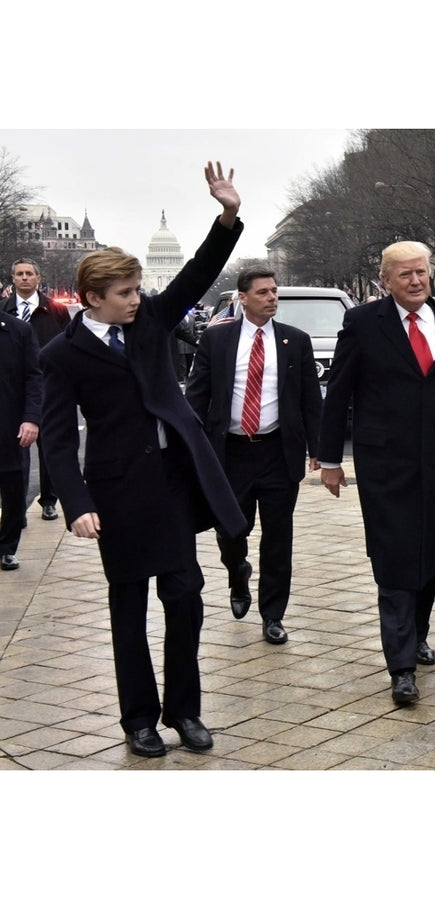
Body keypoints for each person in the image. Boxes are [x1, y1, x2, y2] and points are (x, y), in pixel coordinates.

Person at [38, 162, 246, 758]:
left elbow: (196, 274)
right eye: (124, 294)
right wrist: (76, 504)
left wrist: (227, 216)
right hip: (117, 495)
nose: (137, 299)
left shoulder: (152, 318)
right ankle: (139, 721)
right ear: (93, 299)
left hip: (173, 482)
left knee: (185, 597)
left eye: (137, 290)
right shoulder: (63, 355)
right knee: (128, 609)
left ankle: (186, 711)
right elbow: (57, 439)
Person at [318, 241, 435, 707]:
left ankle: (417, 632)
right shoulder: (363, 324)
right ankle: (401, 667)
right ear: (386, 281)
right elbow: (338, 393)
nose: (416, 282)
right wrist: (331, 460)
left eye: (421, 273)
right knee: (395, 556)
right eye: (405, 275)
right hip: (383, 463)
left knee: (428, 552)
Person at [185, 265, 322, 645]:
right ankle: (237, 572)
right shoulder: (218, 340)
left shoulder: (295, 341)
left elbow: (311, 400)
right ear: (242, 298)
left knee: (278, 538)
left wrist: (319, 451)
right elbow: (196, 396)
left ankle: (273, 615)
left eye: (274, 291)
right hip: (230, 454)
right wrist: (189, 446)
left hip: (278, 453)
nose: (272, 298)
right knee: (231, 529)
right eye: (263, 292)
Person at [2, 258, 70, 523]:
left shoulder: (55, 310)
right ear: (13, 279)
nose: (24, 278)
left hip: (49, 386)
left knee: (48, 445)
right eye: (19, 274)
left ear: (38, 278)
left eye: (29, 273)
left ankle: (49, 499)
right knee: (15, 452)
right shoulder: (5, 310)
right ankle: (16, 509)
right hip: (13, 389)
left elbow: (67, 344)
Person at [0, 310, 41, 571]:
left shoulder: (19, 331)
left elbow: (34, 377)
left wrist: (31, 418)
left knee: (13, 490)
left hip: (10, 425)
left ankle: (7, 548)